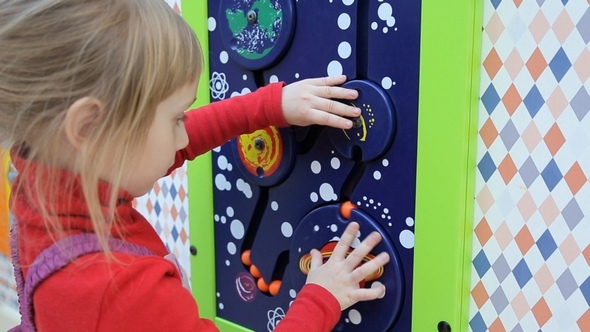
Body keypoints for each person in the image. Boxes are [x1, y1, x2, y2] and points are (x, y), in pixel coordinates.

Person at [0, 0, 390, 331]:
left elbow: (167, 148)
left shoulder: (42, 182)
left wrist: (268, 106)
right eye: (175, 119)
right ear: (88, 127)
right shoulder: (122, 292)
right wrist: (323, 297)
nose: (184, 138)